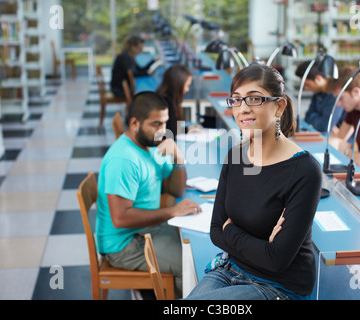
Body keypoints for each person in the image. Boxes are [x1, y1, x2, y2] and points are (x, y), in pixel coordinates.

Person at [185, 64, 323, 300]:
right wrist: (260, 247)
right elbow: (216, 231)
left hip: (278, 287)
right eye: (236, 100)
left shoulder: (305, 170)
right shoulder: (235, 156)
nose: (243, 109)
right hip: (230, 269)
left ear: (279, 106)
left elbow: (276, 260)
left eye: (255, 99)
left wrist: (232, 230)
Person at [96, 91, 201, 299]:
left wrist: (179, 159)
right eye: (156, 124)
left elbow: (176, 190)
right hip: (123, 244)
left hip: (146, 229)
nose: (162, 131)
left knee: (196, 250)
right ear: (135, 123)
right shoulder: (123, 160)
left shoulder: (150, 147)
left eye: (164, 123)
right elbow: (121, 219)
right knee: (191, 266)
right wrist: (171, 211)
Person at [295, 60, 345, 133]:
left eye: (308, 84)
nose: (306, 88)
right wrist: (318, 118)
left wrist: (314, 117)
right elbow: (308, 116)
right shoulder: (318, 93)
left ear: (318, 78)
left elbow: (325, 127)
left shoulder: (334, 95)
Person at [156, 64, 193, 138]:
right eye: (186, 86)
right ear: (178, 85)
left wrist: (188, 129)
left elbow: (171, 128)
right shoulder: (167, 104)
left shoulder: (162, 97)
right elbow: (170, 134)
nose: (187, 89)